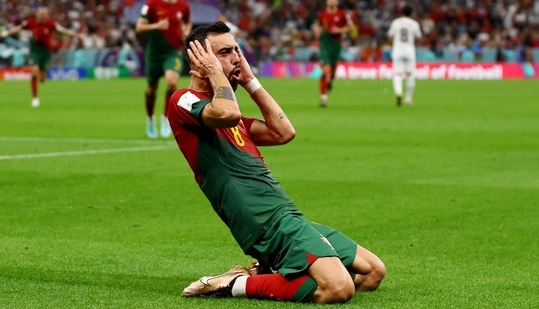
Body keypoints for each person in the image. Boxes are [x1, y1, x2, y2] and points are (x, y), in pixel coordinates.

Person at [167, 21, 386, 304]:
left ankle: (269, 274)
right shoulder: (183, 100)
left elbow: (284, 132)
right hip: (261, 219)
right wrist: (214, 73)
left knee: (373, 272)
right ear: (198, 61)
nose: (236, 57)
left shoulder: (233, 118)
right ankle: (235, 284)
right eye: (224, 52)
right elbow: (227, 111)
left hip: (285, 214)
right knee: (338, 288)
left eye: (237, 50)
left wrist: (249, 81)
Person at [0, 6, 82, 108]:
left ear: (47, 16)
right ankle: (35, 98)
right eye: (40, 14)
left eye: (44, 14)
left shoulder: (51, 24)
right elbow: (18, 28)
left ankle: (41, 76)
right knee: (34, 71)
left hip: (46, 52)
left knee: (42, 78)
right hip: (35, 51)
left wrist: (75, 35)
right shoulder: (31, 23)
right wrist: (5, 33)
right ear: (37, 15)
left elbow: (62, 30)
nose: (42, 16)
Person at [135, 0, 191, 139]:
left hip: (173, 51)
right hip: (154, 53)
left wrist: (186, 31)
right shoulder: (151, 5)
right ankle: (150, 119)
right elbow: (139, 27)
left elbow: (187, 21)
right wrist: (157, 25)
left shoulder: (183, 6)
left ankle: (166, 117)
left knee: (172, 83)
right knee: (152, 87)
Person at [313, 0, 355, 107]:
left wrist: (339, 30)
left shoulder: (342, 14)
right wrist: (317, 31)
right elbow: (318, 25)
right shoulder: (322, 14)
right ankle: (323, 97)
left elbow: (351, 27)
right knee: (325, 70)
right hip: (325, 44)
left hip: (336, 45)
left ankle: (330, 80)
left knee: (332, 72)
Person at [387, 5, 422, 106]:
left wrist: (394, 44)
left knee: (397, 74)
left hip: (397, 50)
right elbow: (419, 37)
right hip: (409, 50)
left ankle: (398, 92)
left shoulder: (396, 22)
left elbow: (390, 36)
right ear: (411, 13)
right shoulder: (414, 24)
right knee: (410, 75)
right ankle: (408, 99)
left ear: (402, 12)